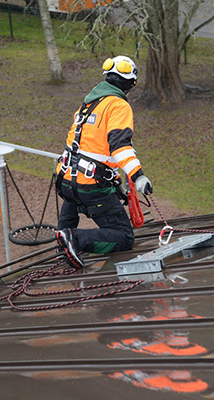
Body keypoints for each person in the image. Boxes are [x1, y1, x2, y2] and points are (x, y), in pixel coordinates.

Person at [54, 55, 152, 269]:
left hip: (66, 180)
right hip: (89, 187)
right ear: (130, 85)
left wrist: (116, 184)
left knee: (73, 194)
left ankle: (63, 244)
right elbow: (119, 146)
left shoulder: (88, 104)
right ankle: (74, 240)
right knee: (124, 237)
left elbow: (91, 149)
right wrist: (138, 176)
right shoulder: (118, 106)